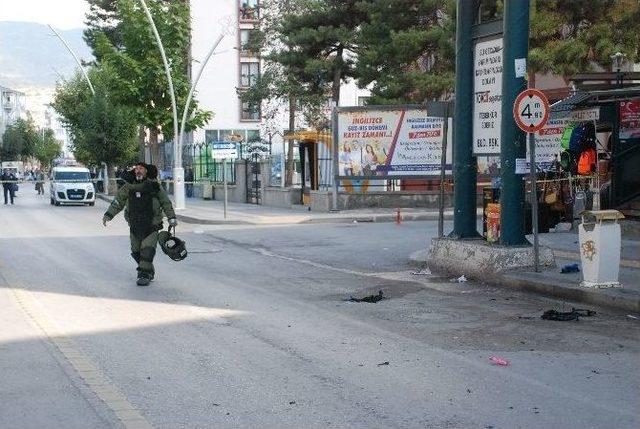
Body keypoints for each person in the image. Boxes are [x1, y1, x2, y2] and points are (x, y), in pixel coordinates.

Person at [102, 163, 177, 286]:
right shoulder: (128, 187)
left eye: (141, 168)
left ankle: (143, 274)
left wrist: (172, 218)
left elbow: (165, 202)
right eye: (136, 169)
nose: (138, 171)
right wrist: (108, 215)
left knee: (147, 250)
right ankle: (148, 269)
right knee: (136, 251)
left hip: (152, 225)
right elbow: (118, 202)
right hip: (135, 225)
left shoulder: (154, 186)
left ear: (147, 171)